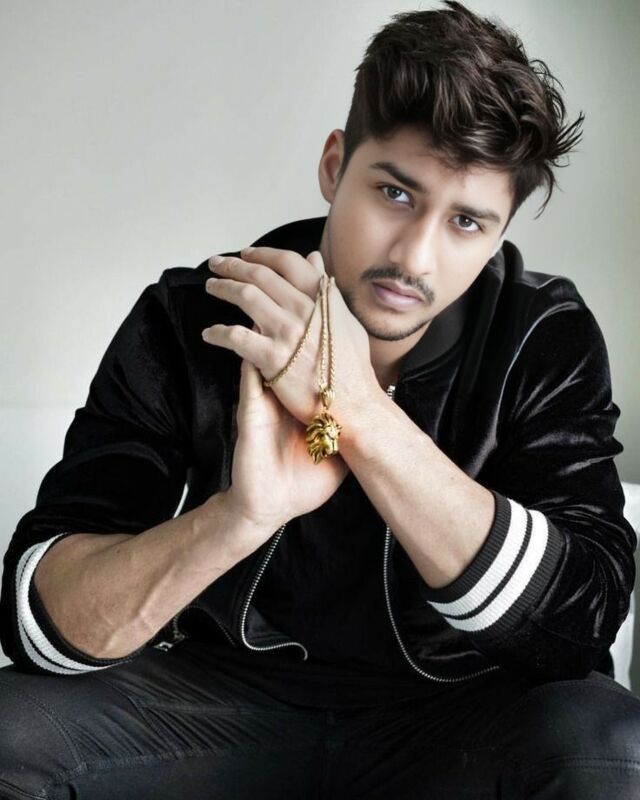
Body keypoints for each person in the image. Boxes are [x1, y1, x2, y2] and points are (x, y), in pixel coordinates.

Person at [1, 2, 639, 797]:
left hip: (457, 717)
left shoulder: (539, 335)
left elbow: (578, 629)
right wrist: (239, 518)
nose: (415, 258)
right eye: (395, 194)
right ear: (335, 166)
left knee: (611, 749)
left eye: (467, 222)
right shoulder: (192, 316)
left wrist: (360, 415)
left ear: (501, 231)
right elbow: (40, 623)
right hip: (215, 705)